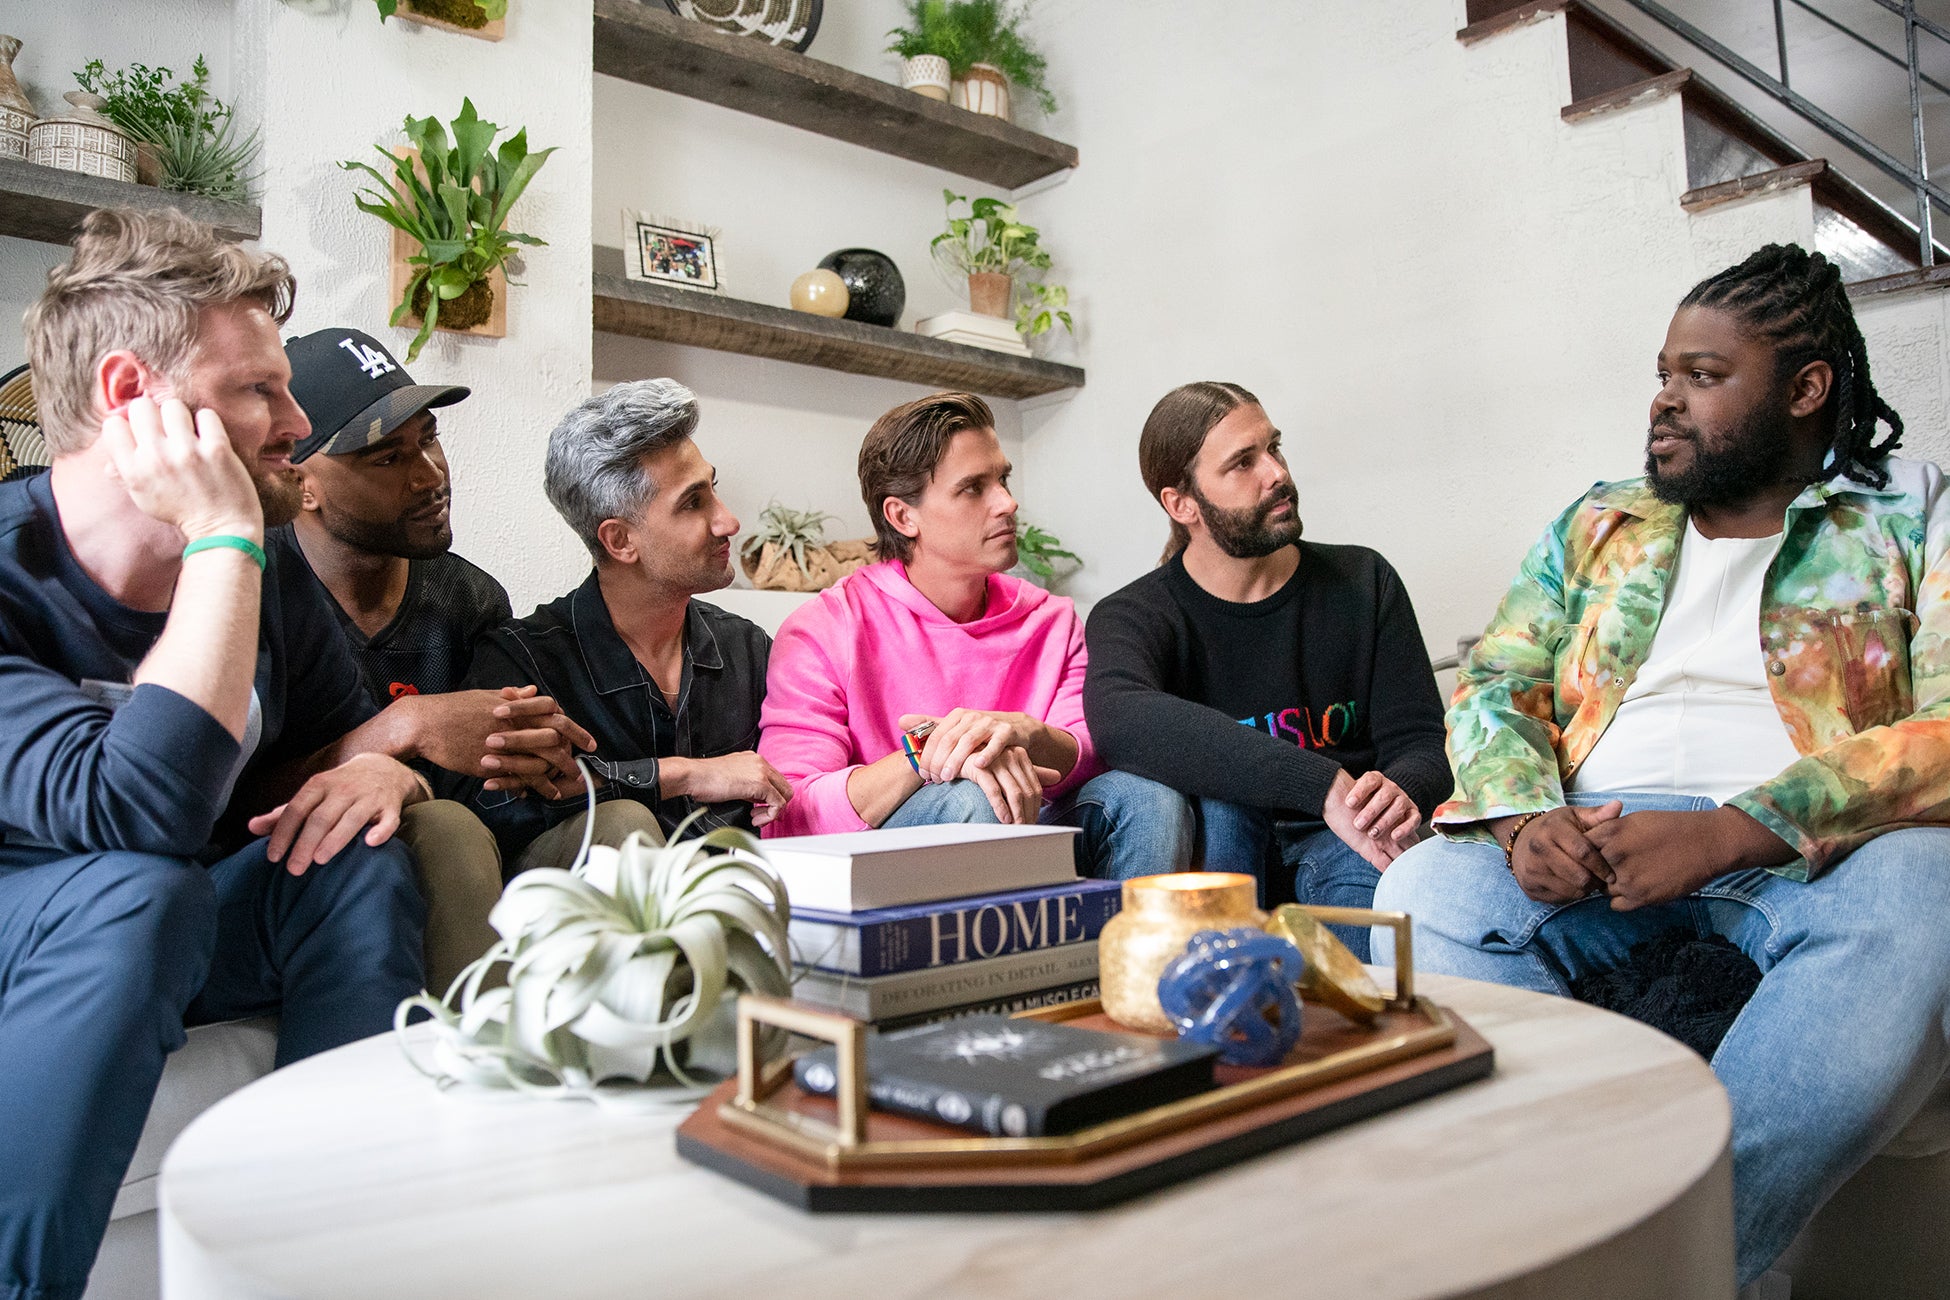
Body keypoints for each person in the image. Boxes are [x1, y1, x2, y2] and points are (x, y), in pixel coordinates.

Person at [1372, 244, 1950, 1287]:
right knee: (1419, 889)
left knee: (1925, 888)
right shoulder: (1601, 520)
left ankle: (1673, 1261)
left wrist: (1732, 831)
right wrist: (1521, 819)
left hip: (1808, 850)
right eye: (1663, 374)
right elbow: (1499, 677)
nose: (1665, 401)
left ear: (1807, 390)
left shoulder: (1909, 511)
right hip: (1592, 839)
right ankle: (1590, 1211)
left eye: (1704, 375)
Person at [0, 208, 428, 1300]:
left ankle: (333, 1265)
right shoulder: (30, 571)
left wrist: (381, 767)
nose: (299, 423)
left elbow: (324, 749)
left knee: (351, 854)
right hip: (34, 932)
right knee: (140, 890)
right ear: (130, 395)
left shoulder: (270, 572)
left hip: (171, 925)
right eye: (258, 391)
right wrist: (222, 537)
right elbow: (137, 811)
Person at [272, 325, 597, 984]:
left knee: (618, 821)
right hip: (318, 870)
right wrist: (406, 728)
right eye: (387, 458)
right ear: (301, 483)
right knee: (442, 827)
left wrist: (539, 759)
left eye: (429, 438)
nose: (430, 476)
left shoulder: (469, 598)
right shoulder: (251, 587)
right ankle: (474, 1044)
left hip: (466, 853)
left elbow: (494, 797)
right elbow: (224, 794)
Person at [759, 391, 1192, 879]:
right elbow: (787, 813)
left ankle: (1124, 934)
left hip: (1035, 827)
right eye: (972, 488)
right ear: (903, 516)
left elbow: (1094, 749)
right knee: (972, 798)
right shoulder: (825, 629)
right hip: (882, 867)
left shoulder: (1050, 619)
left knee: (1150, 797)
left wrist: (1024, 732)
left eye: (1002, 479)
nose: (1007, 502)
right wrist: (930, 753)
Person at [1082, 382, 1449, 957]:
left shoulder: (1364, 580)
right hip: (1224, 848)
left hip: (1348, 839)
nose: (1276, 473)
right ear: (1182, 504)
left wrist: (1403, 791)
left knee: (1371, 969)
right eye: (1243, 463)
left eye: (1274, 448)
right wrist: (1320, 784)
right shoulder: (1132, 615)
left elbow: (1421, 739)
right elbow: (1120, 718)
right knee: (1223, 819)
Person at [464, 379, 790, 870]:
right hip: (594, 914)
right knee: (622, 824)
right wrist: (682, 774)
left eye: (713, 489)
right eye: (692, 502)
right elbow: (501, 813)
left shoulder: (748, 648)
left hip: (750, 903)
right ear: (620, 541)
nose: (728, 521)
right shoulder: (523, 662)